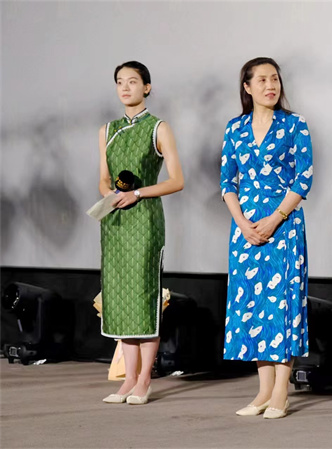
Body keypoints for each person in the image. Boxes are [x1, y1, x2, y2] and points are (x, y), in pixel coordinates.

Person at [220, 57, 313, 419]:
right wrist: (242, 223)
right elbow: (227, 182)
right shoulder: (235, 128)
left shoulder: (295, 124)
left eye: (274, 79)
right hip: (245, 230)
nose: (270, 85)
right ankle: (262, 391)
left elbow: (303, 178)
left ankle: (280, 392)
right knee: (252, 305)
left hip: (283, 226)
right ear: (247, 87)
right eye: (261, 80)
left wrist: (275, 219)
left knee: (282, 304)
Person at [99, 61, 184, 405]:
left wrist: (137, 193)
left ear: (146, 87)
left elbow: (176, 180)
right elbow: (103, 178)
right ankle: (128, 379)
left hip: (145, 220)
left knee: (143, 296)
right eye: (120, 82)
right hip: (115, 221)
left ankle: (145, 380)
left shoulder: (158, 127)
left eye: (132, 81)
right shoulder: (108, 129)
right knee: (119, 298)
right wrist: (110, 195)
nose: (125, 87)